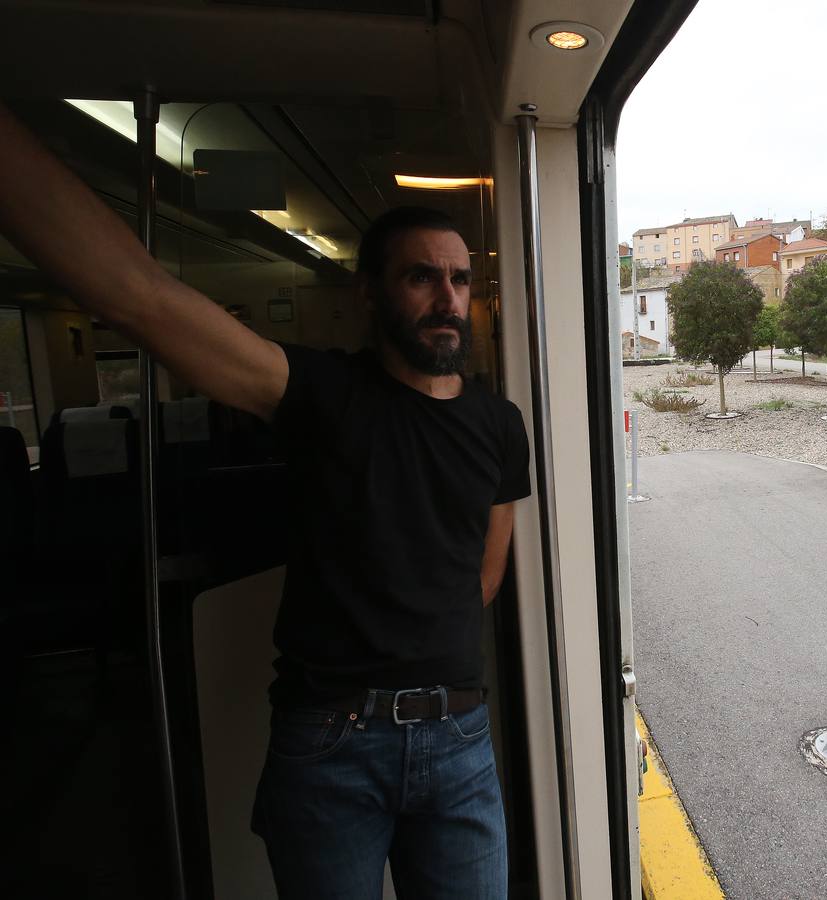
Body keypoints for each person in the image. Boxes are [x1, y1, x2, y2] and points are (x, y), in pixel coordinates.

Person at [0, 105, 528, 900]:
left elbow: (481, 578)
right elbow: (139, 297)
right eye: (421, 276)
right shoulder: (319, 393)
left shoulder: (498, 422)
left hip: (458, 742)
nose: (447, 297)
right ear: (371, 294)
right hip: (332, 745)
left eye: (458, 278)